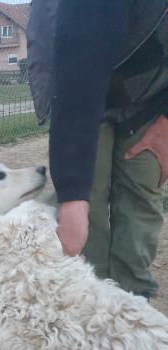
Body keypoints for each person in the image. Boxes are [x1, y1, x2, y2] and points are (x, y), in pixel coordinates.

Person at [27, 0, 168, 298]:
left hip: (151, 81)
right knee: (87, 197)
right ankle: (87, 299)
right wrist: (73, 196)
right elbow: (79, 66)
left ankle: (132, 305)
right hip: (76, 67)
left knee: (142, 184)